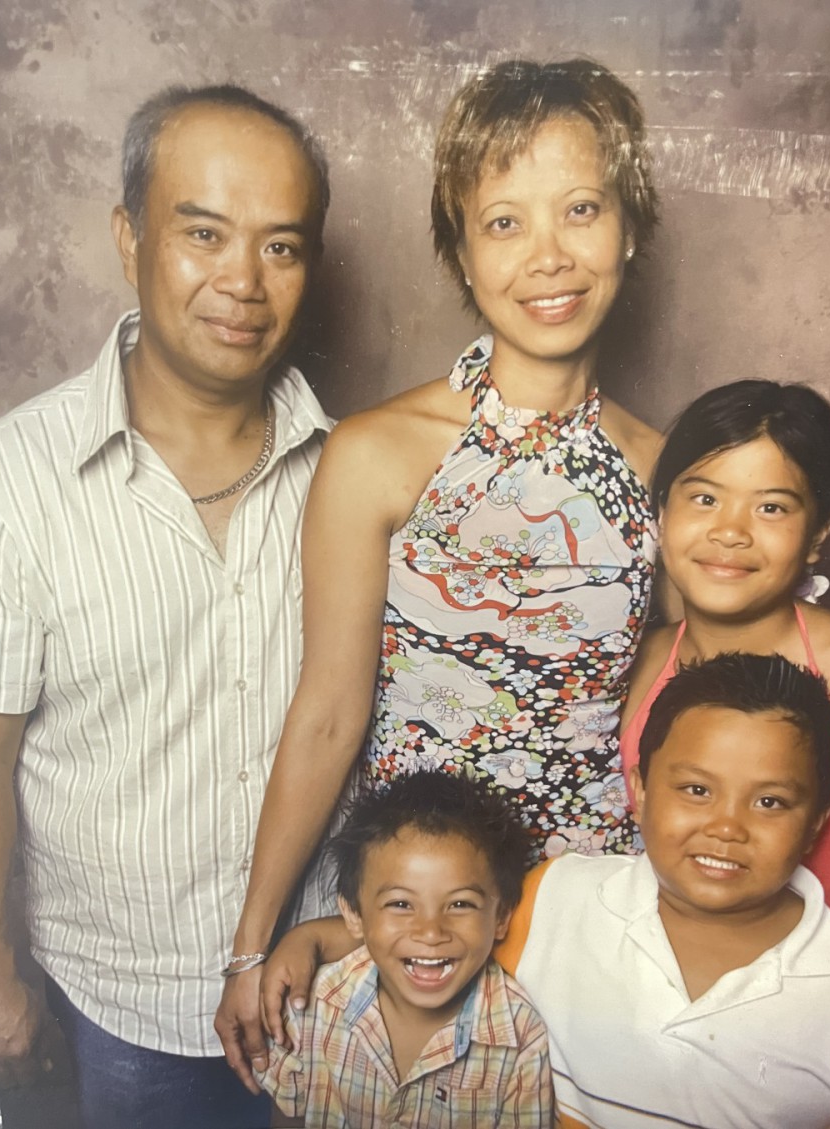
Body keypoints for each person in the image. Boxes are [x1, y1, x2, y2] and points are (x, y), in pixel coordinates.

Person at [217, 56, 664, 1087]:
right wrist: (253, 941)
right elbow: (328, 712)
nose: (547, 257)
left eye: (581, 210)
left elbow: (718, 675)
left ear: (629, 228)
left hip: (587, 914)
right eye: (504, 221)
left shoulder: (668, 471)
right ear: (460, 252)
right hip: (410, 924)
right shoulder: (377, 452)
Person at [0, 83, 331, 1129]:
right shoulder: (8, 485)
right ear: (129, 237)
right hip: (116, 1010)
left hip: (328, 995)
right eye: (202, 232)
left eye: (282, 247)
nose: (242, 282)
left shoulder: (352, 472)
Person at [270, 655, 830, 1127]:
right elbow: (441, 928)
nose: (726, 826)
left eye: (770, 800)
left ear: (818, 819)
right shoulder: (553, 898)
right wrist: (309, 939)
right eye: (696, 789)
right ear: (642, 790)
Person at [618, 380, 830, 1018]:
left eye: (771, 508)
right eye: (705, 498)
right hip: (694, 1004)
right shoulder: (646, 661)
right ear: (660, 513)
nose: (731, 532)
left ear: (818, 532)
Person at [255, 771, 552, 1126]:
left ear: (501, 916)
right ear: (353, 914)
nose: (430, 931)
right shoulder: (311, 1008)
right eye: (400, 904)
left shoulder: (524, 1036)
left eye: (460, 904)